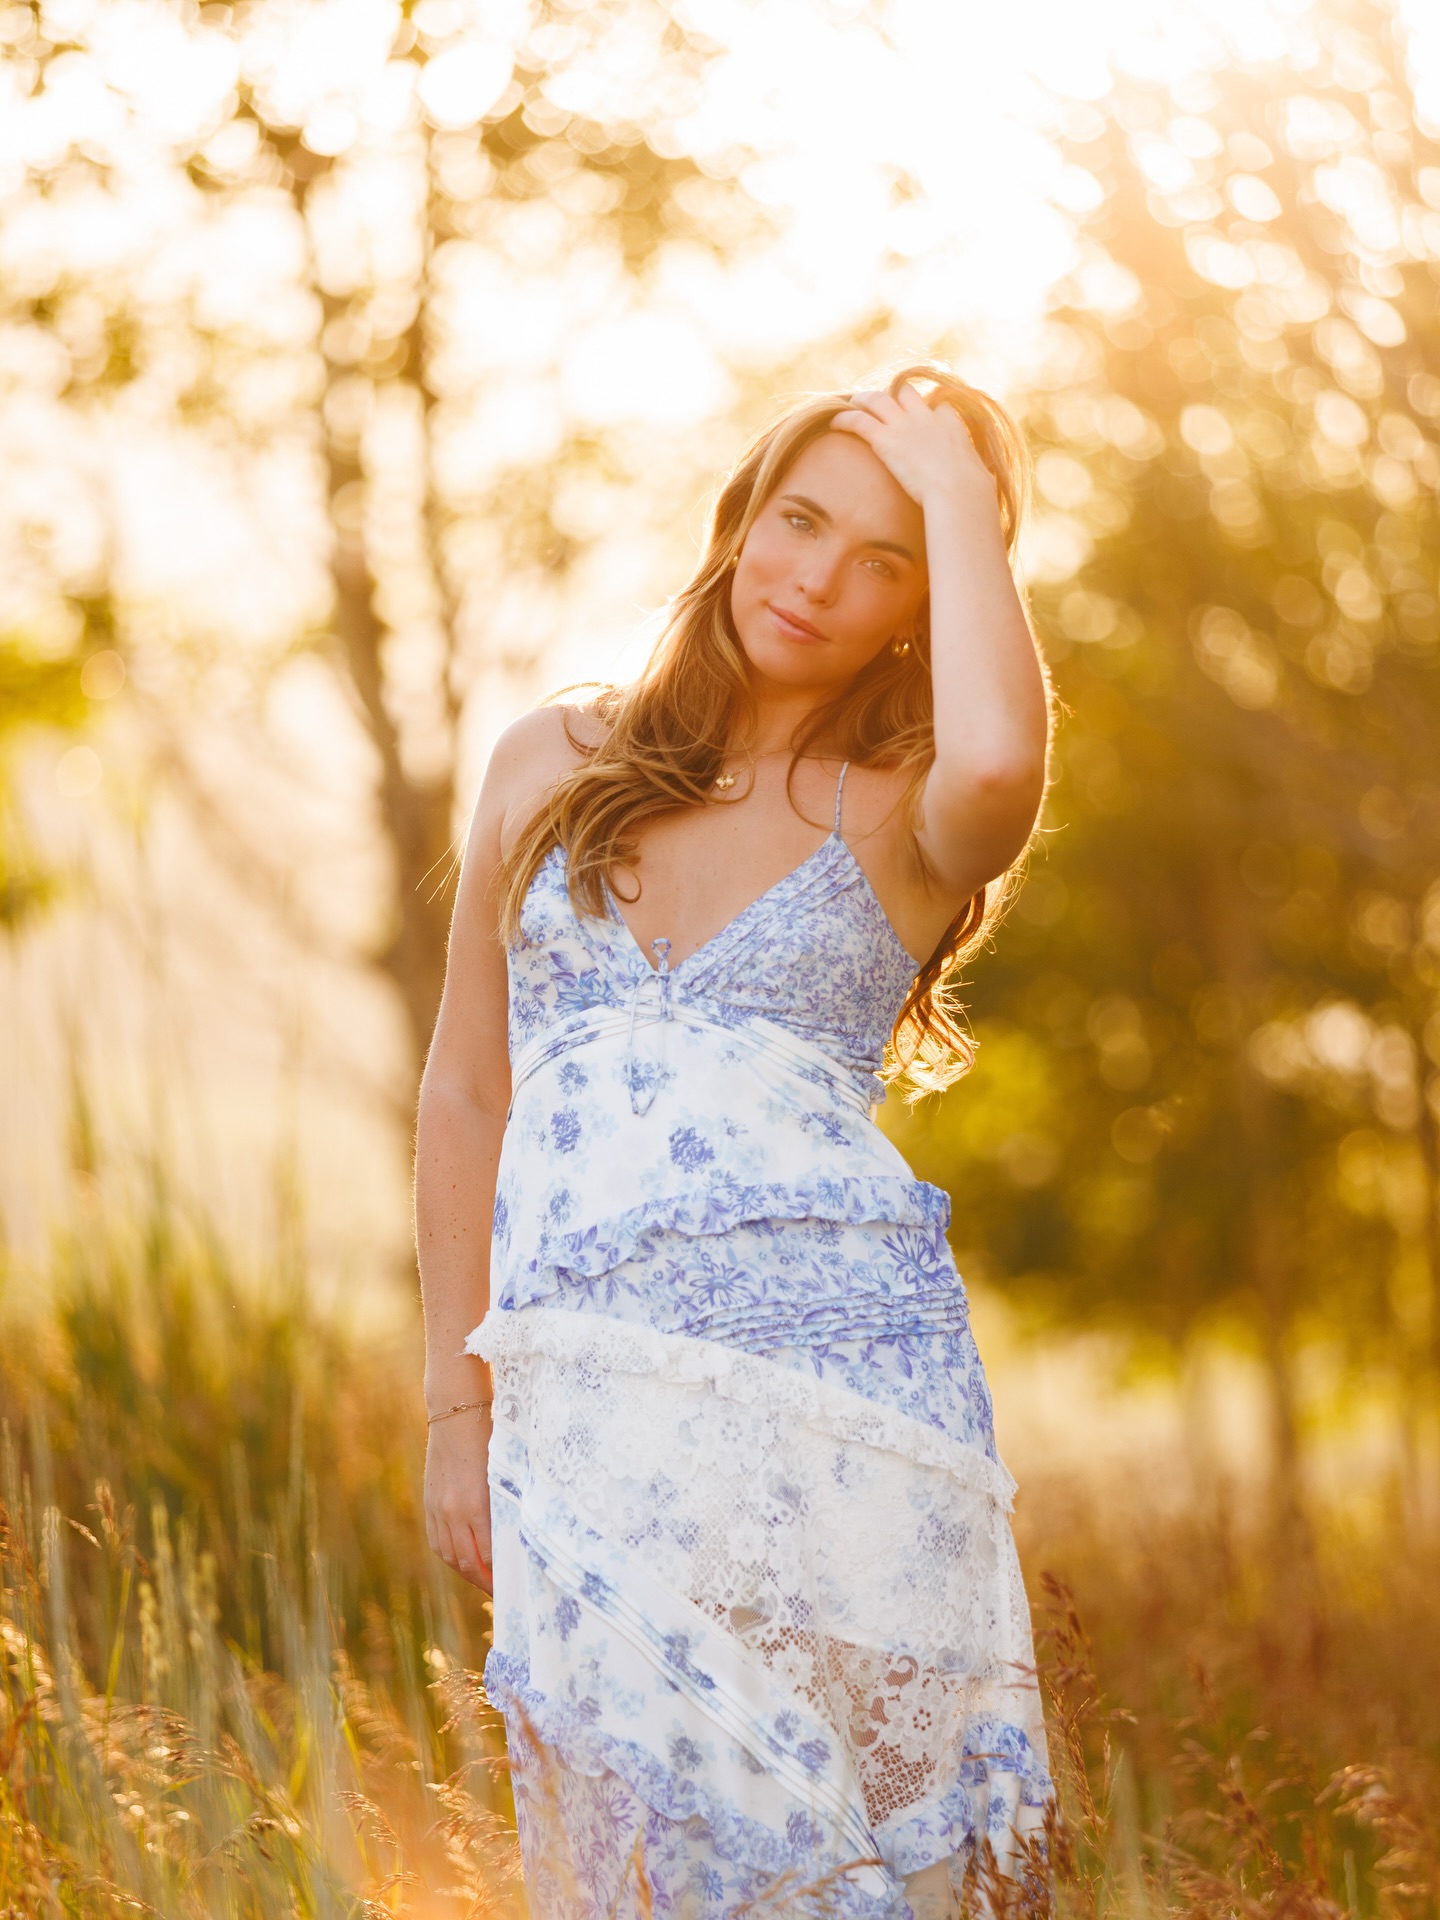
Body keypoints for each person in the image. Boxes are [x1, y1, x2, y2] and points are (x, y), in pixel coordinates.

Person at [414, 364, 1055, 1918]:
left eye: (884, 560)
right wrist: (453, 1403)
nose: (819, 581)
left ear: (930, 599)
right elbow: (466, 1094)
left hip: (839, 1410)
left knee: (851, 1853)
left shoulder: (905, 807)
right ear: (739, 521)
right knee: (632, 1855)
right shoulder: (547, 760)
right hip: (582, 1410)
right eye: (800, 521)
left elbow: (995, 767)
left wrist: (968, 494)